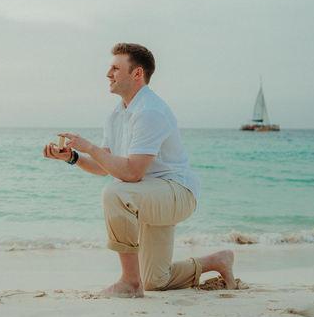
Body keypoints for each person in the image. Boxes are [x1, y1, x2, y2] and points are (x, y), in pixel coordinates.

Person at [43, 43, 237, 298]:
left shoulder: (150, 112)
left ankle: (129, 282)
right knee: (157, 280)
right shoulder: (115, 115)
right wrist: (73, 157)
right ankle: (216, 261)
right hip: (147, 196)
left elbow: (132, 173)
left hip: (177, 193)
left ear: (137, 73)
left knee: (114, 193)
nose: (108, 74)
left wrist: (90, 146)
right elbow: (105, 167)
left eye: (115, 68)